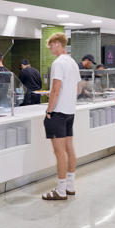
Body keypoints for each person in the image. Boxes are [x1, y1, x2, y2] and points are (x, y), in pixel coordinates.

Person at [42, 32, 81, 200]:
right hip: (70, 112)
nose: (50, 48)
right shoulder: (73, 62)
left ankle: (60, 190)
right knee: (69, 149)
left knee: (59, 152)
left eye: (51, 45)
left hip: (57, 113)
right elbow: (78, 89)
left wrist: (49, 111)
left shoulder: (58, 63)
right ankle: (70, 187)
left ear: (57, 43)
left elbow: (56, 90)